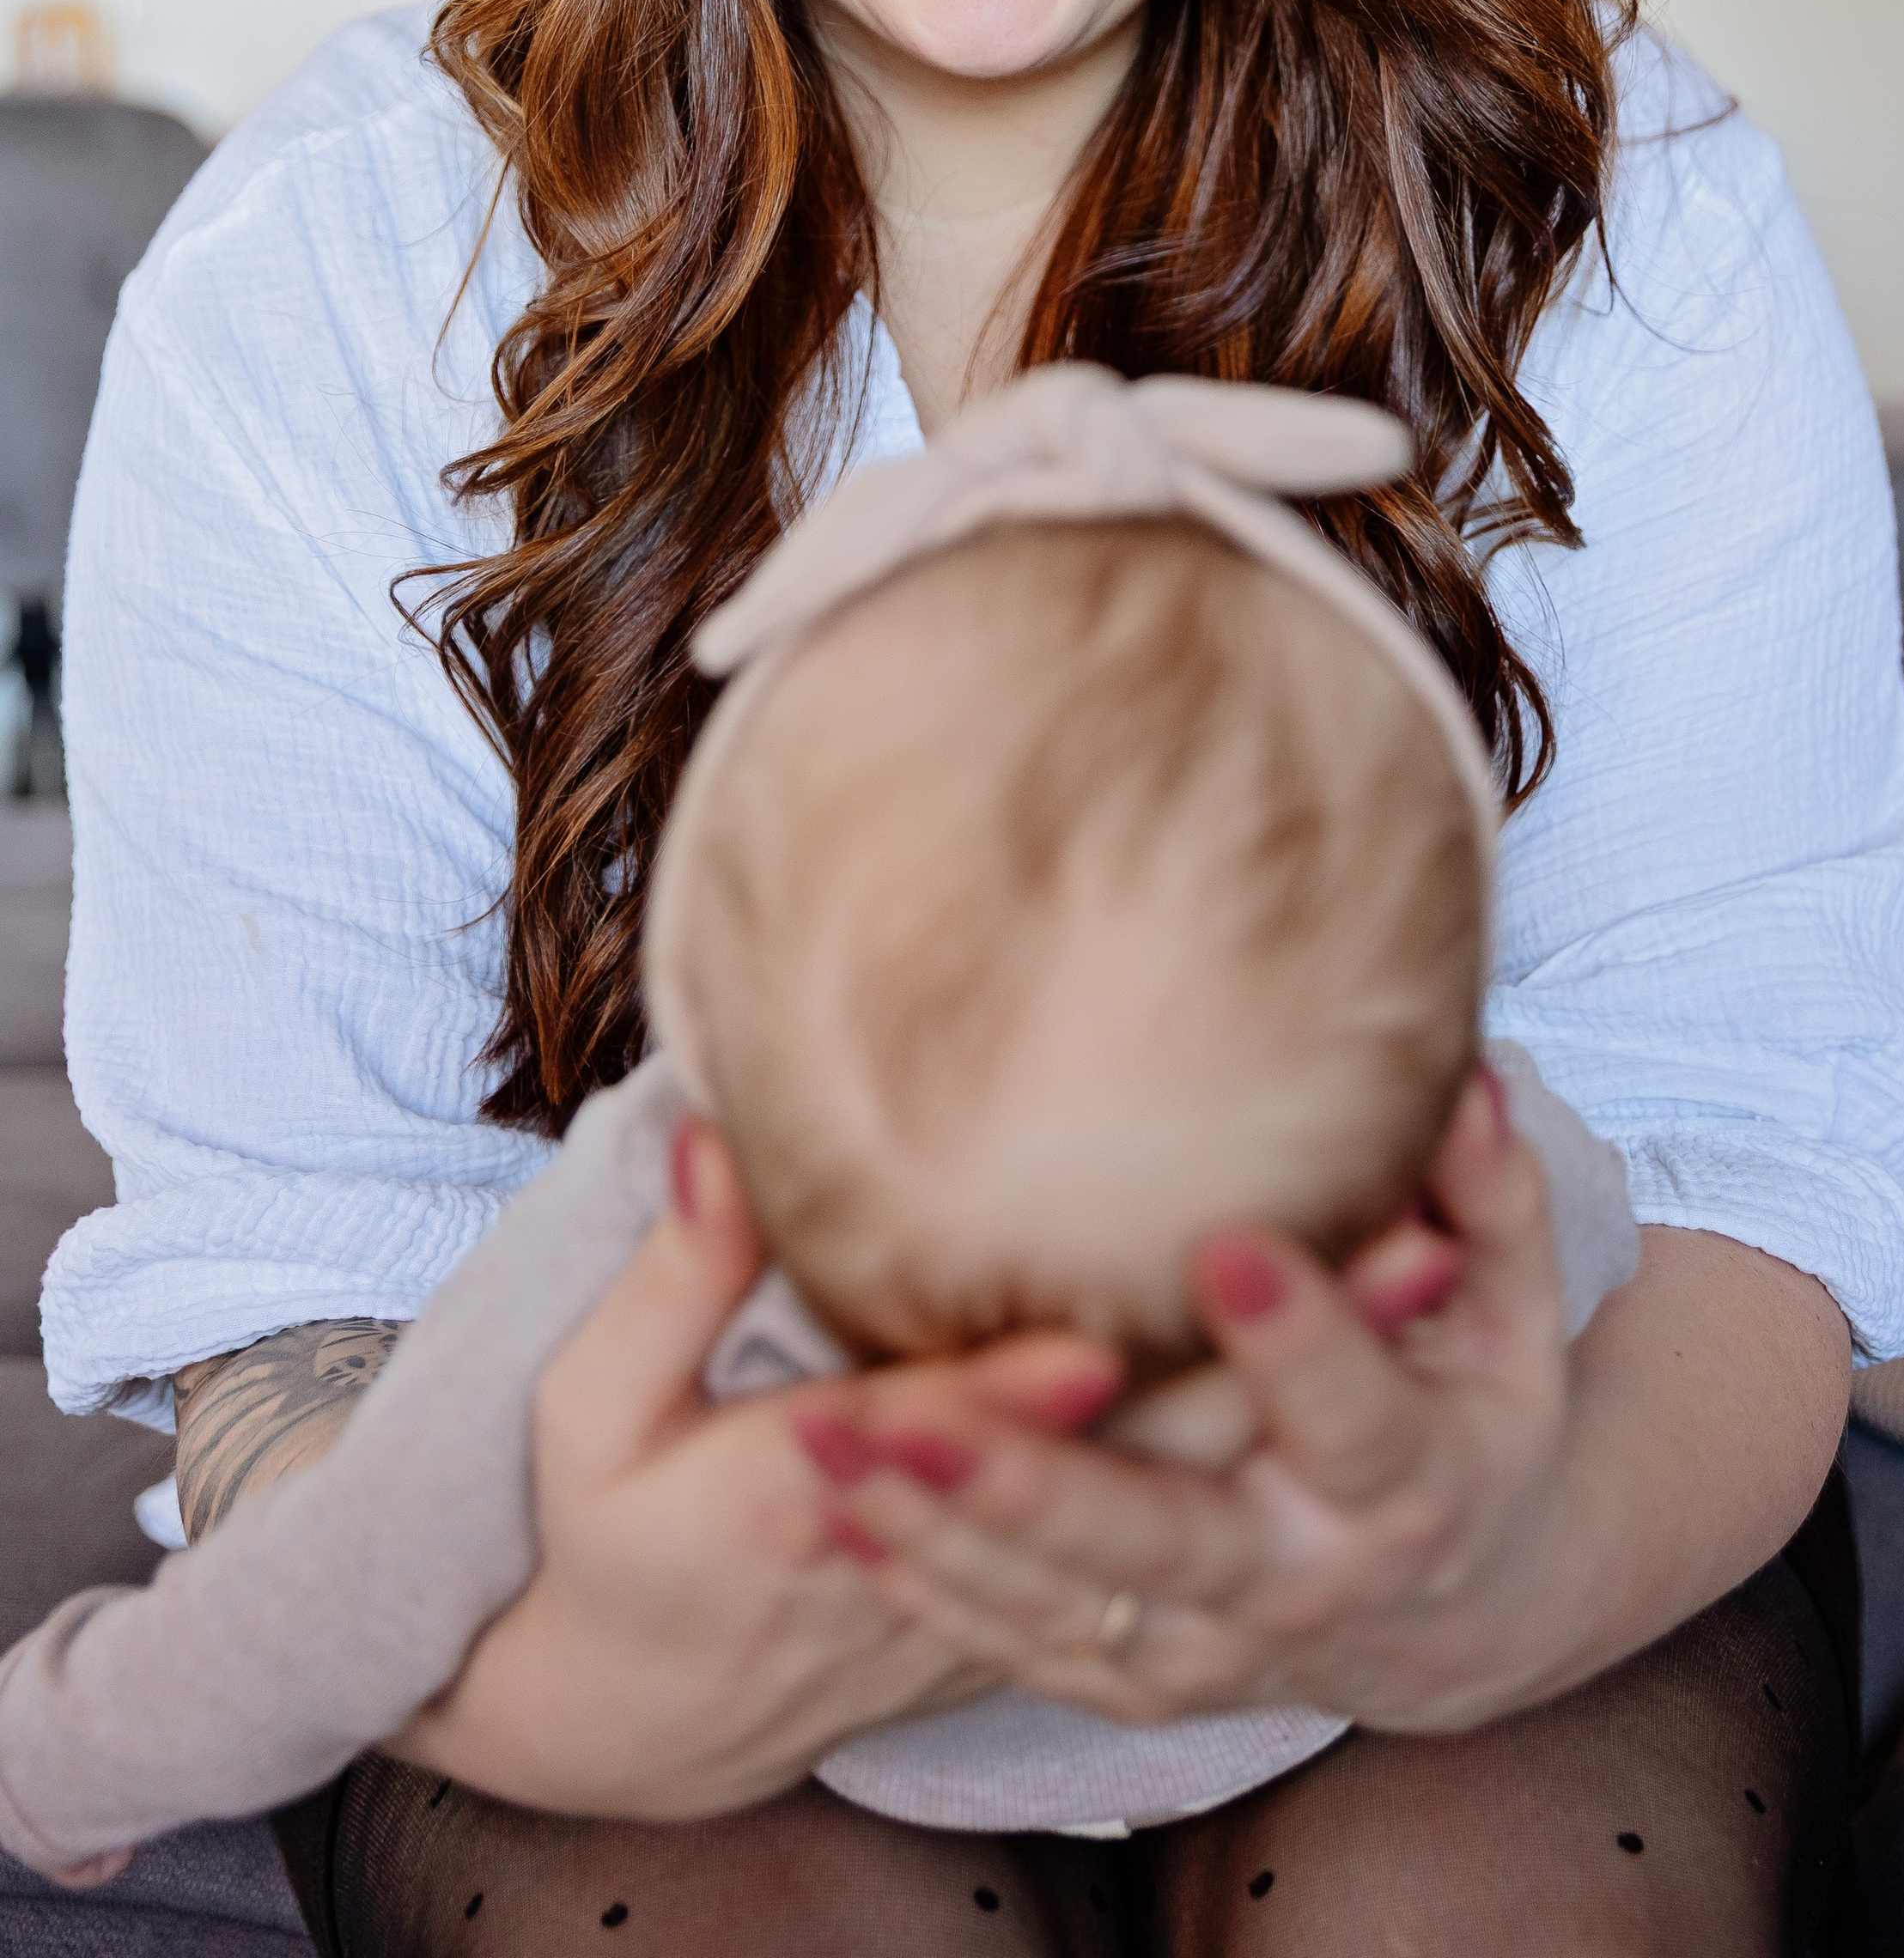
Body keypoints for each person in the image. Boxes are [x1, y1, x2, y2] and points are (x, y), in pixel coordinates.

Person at [47, 0, 1904, 1954]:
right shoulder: (331, 283)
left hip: (1488, 1513)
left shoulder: (1642, 221)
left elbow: (1735, 1137)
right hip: (611, 1549)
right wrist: (587, 1670)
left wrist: (1485, 1564)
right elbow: (307, 1272)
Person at [0, 371, 1639, 1883]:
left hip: (815, 1761)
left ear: (711, 957)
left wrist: (60, 1755)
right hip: (1309, 1717)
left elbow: (340, 1590)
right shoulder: (1455, 1158)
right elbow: (1603, 1234)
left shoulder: (684, 1181)